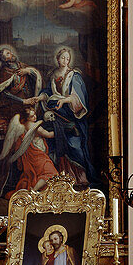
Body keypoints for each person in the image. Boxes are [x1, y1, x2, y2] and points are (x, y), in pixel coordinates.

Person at [44, 46, 96, 186]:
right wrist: (40, 97)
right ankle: (62, 179)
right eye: (62, 58)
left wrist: (64, 100)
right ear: (57, 59)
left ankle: (80, 178)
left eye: (68, 58)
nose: (65, 61)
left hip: (72, 117)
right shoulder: (52, 75)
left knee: (75, 147)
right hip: (57, 115)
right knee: (57, 145)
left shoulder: (74, 75)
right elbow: (48, 92)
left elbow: (78, 98)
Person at [0, 100, 59, 196]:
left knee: (43, 174)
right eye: (32, 116)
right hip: (37, 155)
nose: (35, 117)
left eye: (34, 115)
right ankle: (33, 191)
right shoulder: (36, 126)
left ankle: (35, 191)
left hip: (31, 156)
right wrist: (60, 129)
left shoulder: (22, 126)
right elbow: (49, 135)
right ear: (27, 118)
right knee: (51, 173)